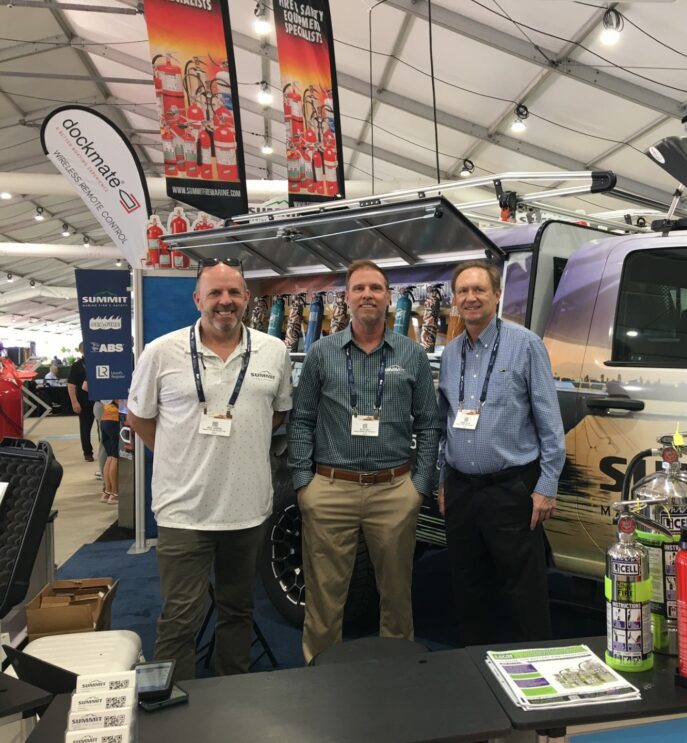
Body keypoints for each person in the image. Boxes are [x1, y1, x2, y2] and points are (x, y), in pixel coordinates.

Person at [127, 258, 293, 681]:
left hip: (247, 509)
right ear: (197, 299)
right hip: (184, 511)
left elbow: (276, 413)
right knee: (180, 618)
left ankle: (231, 696)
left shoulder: (274, 351)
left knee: (238, 611)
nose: (225, 301)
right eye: (215, 293)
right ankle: (173, 702)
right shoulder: (161, 352)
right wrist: (180, 455)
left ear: (247, 298)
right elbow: (139, 418)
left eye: (234, 292)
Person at [288, 259, 441, 663]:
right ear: (347, 298)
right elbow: (301, 420)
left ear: (389, 297)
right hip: (330, 489)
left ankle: (398, 675)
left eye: (375, 288)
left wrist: (419, 487)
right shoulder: (321, 353)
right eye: (359, 288)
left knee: (396, 596)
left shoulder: (412, 354)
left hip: (394, 490)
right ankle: (320, 676)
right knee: (324, 597)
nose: (367, 295)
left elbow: (429, 424)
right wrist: (304, 483)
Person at [437, 259, 565, 646]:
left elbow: (549, 422)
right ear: (455, 299)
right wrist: (443, 482)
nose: (470, 298)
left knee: (523, 592)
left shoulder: (525, 345)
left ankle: (533, 664)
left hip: (511, 490)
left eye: (479, 289)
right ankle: (476, 664)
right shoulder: (450, 354)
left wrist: (546, 486)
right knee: (468, 587)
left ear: (497, 295)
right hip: (461, 491)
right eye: (463, 291)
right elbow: (446, 423)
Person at [67, 344, 95, 462]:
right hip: (84, 402)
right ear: (81, 350)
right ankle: (87, 453)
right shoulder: (77, 366)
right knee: (85, 429)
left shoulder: (97, 362)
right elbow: (71, 385)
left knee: (103, 429)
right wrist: (74, 402)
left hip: (99, 401)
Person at [99, 400, 120, 505]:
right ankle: (115, 493)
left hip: (104, 418)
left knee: (110, 457)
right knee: (115, 457)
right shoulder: (116, 390)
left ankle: (107, 492)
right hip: (114, 419)